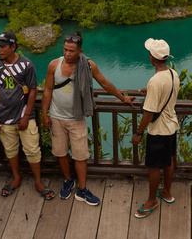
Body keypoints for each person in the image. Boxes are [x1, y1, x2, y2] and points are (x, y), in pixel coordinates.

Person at [41, 32, 134, 206]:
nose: (67, 54)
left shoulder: (88, 66)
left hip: (77, 118)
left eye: (71, 51)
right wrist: (44, 114)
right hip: (57, 117)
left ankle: (82, 189)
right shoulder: (54, 65)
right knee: (60, 152)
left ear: (80, 51)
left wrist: (123, 98)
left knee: (80, 155)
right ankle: (68, 181)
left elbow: (104, 83)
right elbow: (47, 89)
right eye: (65, 50)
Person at [0, 31, 54, 200]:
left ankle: (38, 182)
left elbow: (33, 90)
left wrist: (26, 115)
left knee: (32, 149)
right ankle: (16, 178)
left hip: (25, 116)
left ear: (13, 47)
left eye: (3, 47)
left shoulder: (27, 65)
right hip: (4, 117)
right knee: (10, 150)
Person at [132, 38, 180, 219]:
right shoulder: (173, 74)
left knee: (153, 167)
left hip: (158, 130)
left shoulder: (155, 81)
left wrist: (138, 133)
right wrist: (150, 91)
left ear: (152, 58)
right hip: (171, 125)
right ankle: (167, 192)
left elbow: (148, 113)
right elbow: (167, 92)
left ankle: (151, 201)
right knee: (168, 160)